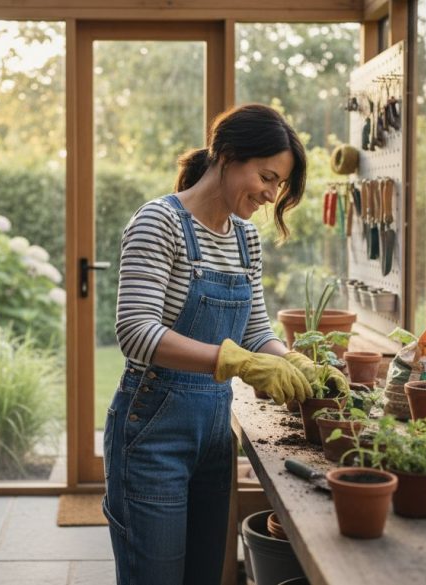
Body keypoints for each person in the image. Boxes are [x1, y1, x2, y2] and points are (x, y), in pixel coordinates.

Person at [102, 103, 346, 585]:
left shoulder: (245, 239)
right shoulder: (159, 222)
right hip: (152, 435)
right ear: (229, 155)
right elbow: (135, 330)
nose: (271, 194)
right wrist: (234, 361)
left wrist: (296, 362)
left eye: (279, 186)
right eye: (267, 176)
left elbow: (255, 328)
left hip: (213, 436)